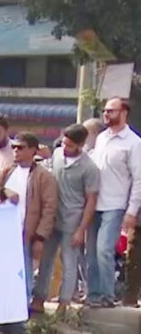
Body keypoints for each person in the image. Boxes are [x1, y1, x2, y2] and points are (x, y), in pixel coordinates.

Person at [32, 124, 99, 315]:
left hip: (73, 220)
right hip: (53, 216)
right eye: (63, 143)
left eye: (70, 145)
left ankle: (64, 303)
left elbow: (91, 200)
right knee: (46, 259)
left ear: (80, 145)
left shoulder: (89, 168)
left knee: (69, 262)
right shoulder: (58, 155)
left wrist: (81, 229)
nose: (65, 148)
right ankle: (39, 298)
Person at [0, 132, 58, 299]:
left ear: (33, 150)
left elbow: (49, 208)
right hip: (5, 232)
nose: (16, 151)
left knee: (24, 273)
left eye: (20, 148)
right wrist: (5, 191)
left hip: (28, 233)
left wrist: (40, 237)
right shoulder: (8, 172)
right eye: (14, 147)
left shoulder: (44, 177)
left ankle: (24, 306)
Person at [94, 97, 141, 307]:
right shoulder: (101, 138)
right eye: (105, 111)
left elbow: (138, 179)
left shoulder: (134, 143)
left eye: (111, 111)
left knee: (104, 249)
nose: (106, 114)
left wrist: (132, 211)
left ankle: (107, 295)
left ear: (124, 113)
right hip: (94, 203)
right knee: (91, 252)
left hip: (116, 204)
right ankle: (94, 294)